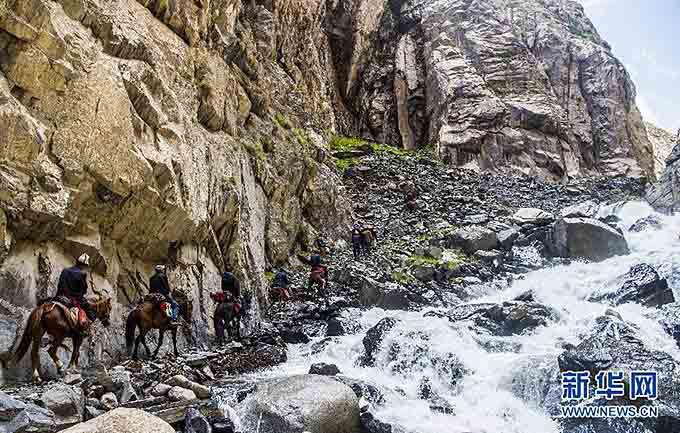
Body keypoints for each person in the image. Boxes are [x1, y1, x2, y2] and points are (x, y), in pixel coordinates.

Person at [56, 253, 96, 334]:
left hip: (60, 297)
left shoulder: (65, 270)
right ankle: (86, 330)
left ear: (77, 262)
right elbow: (83, 290)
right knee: (89, 309)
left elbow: (60, 285)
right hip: (74, 299)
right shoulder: (82, 274)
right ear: (84, 265)